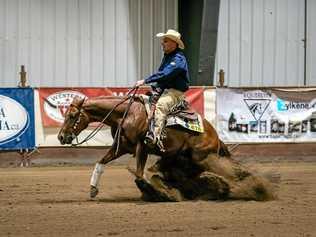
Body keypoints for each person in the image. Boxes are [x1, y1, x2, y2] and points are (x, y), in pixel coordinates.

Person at [135, 29, 190, 150]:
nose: (162, 43)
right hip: (165, 90)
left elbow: (164, 74)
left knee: (160, 105)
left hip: (175, 93)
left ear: (174, 43)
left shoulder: (178, 59)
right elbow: (162, 77)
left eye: (165, 41)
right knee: (142, 101)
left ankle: (155, 135)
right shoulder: (168, 57)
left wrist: (145, 81)